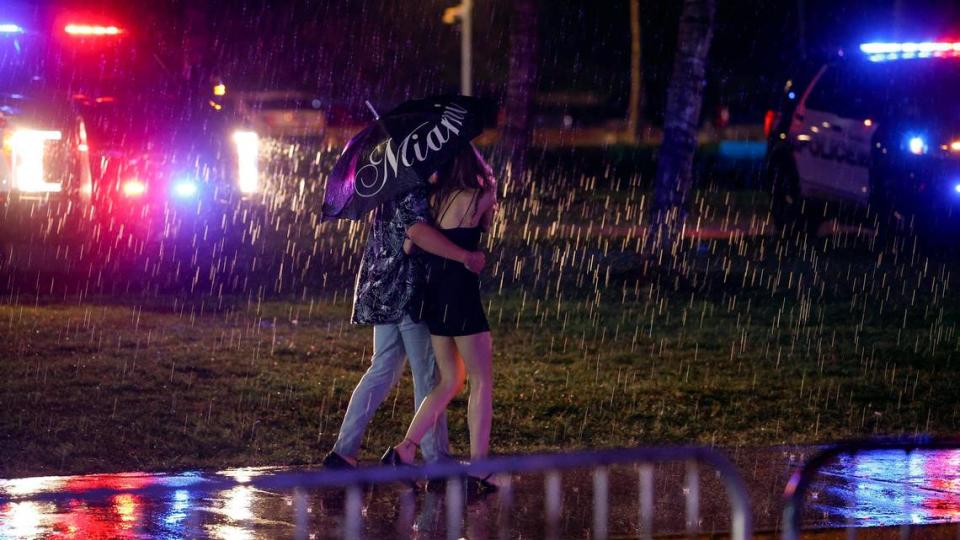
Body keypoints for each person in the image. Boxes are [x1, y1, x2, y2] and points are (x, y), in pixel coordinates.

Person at [321, 181, 486, 470]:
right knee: (428, 376)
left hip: (382, 288)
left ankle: (344, 451)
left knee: (382, 368)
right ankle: (435, 459)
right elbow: (415, 234)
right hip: (409, 292)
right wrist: (464, 255)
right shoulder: (414, 186)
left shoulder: (386, 183)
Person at [382, 145, 497, 493]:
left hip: (436, 298)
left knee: (449, 380)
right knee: (481, 381)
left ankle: (405, 449)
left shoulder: (432, 199)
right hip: (462, 295)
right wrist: (490, 184)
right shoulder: (481, 195)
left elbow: (414, 242)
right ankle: (479, 469)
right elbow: (488, 226)